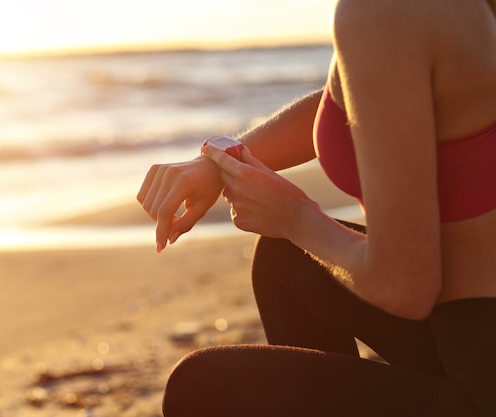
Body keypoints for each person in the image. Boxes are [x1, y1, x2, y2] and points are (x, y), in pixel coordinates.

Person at [137, 0, 496, 415]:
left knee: (200, 385)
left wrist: (297, 217)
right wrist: (219, 163)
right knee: (285, 263)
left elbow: (405, 287)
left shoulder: (385, 12)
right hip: (472, 329)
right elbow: (361, 97)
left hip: (482, 382)